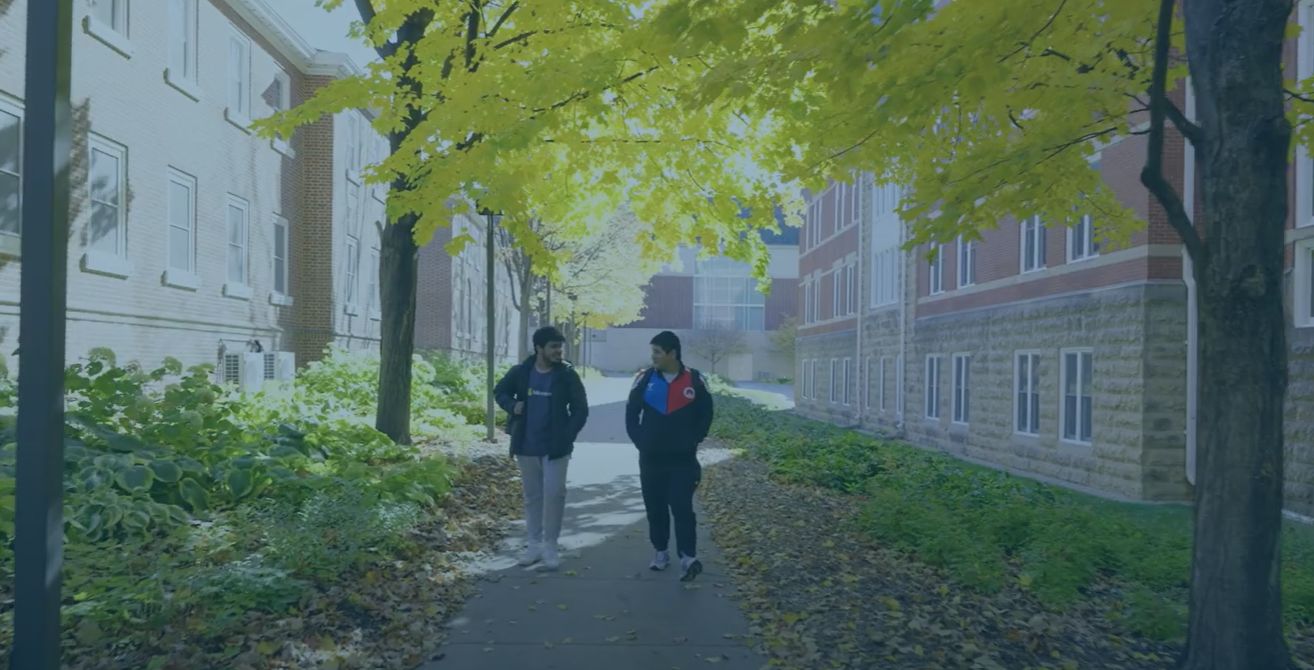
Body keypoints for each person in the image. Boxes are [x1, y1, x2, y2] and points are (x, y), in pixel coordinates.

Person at [494, 326, 589, 570]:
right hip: (526, 445)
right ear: (539, 348)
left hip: (555, 448)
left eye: (560, 347)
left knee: (555, 494)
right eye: (553, 347)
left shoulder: (567, 375)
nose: (559, 351)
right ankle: (533, 545)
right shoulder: (521, 372)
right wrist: (513, 405)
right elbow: (500, 391)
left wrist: (567, 436)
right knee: (532, 498)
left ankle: (550, 546)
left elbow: (581, 409)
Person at [625, 330, 714, 582]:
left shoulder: (695, 380)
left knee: (682, 506)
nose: (653, 357)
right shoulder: (644, 379)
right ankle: (660, 552)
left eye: (657, 352)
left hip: (683, 460)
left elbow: (706, 414)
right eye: (652, 352)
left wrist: (693, 439)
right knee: (655, 507)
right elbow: (631, 414)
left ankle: (688, 557)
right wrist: (641, 441)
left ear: (672, 353)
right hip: (651, 458)